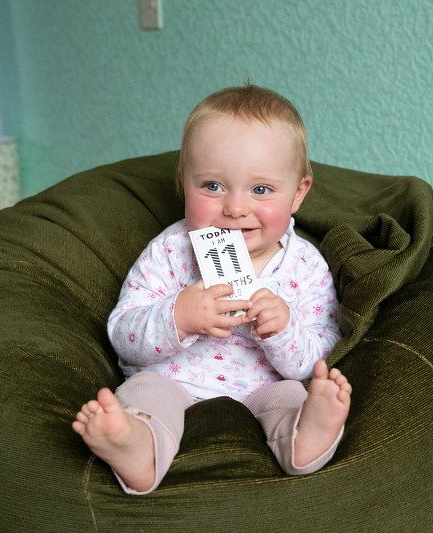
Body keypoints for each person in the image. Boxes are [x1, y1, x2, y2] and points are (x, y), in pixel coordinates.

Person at [72, 84, 350, 494]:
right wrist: (178, 317)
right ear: (183, 182)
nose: (235, 208)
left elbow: (322, 351)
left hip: (263, 386)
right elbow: (122, 333)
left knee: (291, 395)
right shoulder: (171, 249)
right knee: (144, 394)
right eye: (213, 186)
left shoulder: (304, 265)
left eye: (260, 190)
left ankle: (305, 435)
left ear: (298, 194)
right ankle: (136, 447)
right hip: (173, 379)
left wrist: (284, 331)